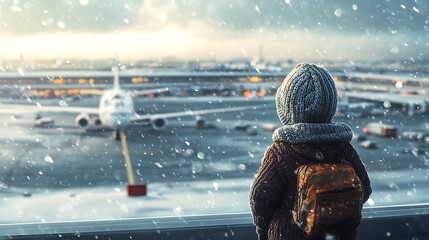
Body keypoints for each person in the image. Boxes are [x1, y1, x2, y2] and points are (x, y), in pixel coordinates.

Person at [250, 63, 372, 240]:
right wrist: (333, 212)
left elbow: (260, 197)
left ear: (285, 109)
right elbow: (364, 189)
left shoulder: (280, 152)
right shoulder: (344, 148)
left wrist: (263, 229)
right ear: (331, 106)